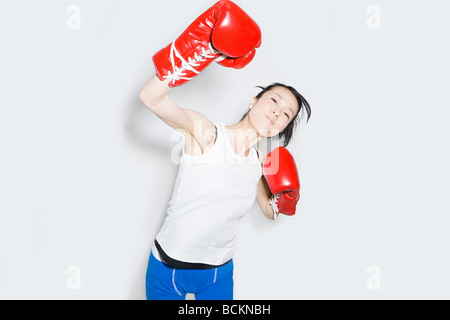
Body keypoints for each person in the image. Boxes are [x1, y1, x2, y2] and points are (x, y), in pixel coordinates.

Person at [139, 0, 311, 300]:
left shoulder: (262, 161)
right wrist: (200, 51)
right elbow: (150, 97)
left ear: (282, 129)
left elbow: (269, 212)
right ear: (253, 102)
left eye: (286, 114)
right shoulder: (206, 132)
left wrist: (284, 201)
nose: (277, 112)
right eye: (274, 101)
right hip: (168, 269)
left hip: (219, 273)